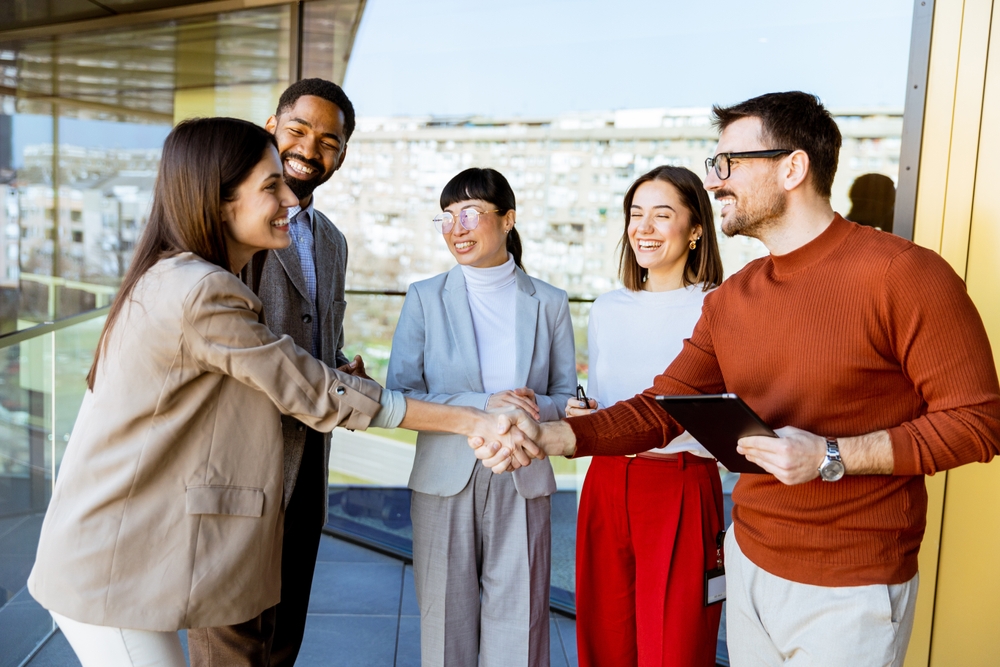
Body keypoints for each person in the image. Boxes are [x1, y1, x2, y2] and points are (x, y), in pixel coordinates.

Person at [472, 92, 1000, 667]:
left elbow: (978, 423)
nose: (716, 181)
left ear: (792, 168)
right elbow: (661, 408)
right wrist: (544, 438)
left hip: (852, 585)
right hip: (748, 561)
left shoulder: (905, 274)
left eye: (729, 164)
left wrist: (831, 455)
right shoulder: (734, 298)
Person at [27, 118, 535, 667]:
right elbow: (315, 391)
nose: (290, 199)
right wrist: (475, 420)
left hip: (110, 554)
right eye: (271, 186)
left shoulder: (173, 275)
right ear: (219, 201)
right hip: (107, 571)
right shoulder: (202, 289)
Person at [188, 77, 361, 667]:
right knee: (230, 633)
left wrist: (338, 365)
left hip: (307, 455)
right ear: (270, 127)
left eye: (330, 141)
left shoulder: (333, 242)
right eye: (298, 130)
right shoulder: (232, 223)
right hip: (235, 457)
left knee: (285, 630)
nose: (311, 149)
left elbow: (317, 337)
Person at [386, 167, 577, 667]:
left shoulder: (551, 303)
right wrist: (483, 405)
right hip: (445, 475)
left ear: (507, 219)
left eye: (469, 213)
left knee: (522, 621)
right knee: (445, 624)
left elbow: (561, 396)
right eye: (446, 217)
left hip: (523, 473)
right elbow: (401, 394)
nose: (456, 227)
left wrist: (524, 409)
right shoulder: (425, 297)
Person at [568, 165, 724, 667]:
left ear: (696, 228)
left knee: (676, 647)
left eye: (662, 214)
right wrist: (584, 410)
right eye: (636, 215)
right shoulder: (606, 308)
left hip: (681, 484)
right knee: (604, 636)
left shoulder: (719, 307)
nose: (644, 228)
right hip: (606, 481)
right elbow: (607, 394)